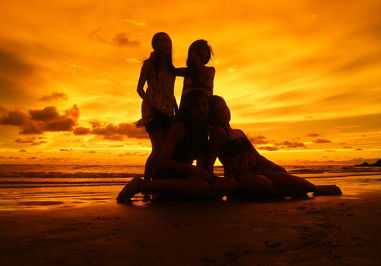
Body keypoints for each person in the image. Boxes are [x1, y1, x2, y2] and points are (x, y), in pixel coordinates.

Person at [207, 95, 342, 198]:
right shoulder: (218, 134)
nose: (224, 112)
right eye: (218, 111)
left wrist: (273, 165)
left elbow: (256, 156)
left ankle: (315, 189)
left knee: (282, 177)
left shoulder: (239, 132)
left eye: (225, 107)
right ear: (213, 116)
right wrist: (216, 184)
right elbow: (209, 161)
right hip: (239, 177)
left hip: (258, 169)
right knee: (264, 184)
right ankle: (288, 191)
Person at [117, 90, 235, 203]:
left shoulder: (205, 130)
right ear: (189, 109)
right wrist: (192, 169)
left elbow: (205, 162)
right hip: (168, 175)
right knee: (200, 185)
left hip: (186, 176)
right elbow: (162, 162)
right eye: (196, 106)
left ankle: (193, 195)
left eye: (204, 105)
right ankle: (140, 185)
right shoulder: (180, 127)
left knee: (230, 183)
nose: (201, 109)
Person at [136, 32, 179, 180]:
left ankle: (159, 180)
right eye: (162, 41)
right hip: (154, 110)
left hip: (168, 110)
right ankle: (147, 183)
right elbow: (139, 89)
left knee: (167, 150)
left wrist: (177, 110)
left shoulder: (170, 67)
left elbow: (170, 92)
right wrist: (152, 105)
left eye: (168, 41)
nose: (166, 44)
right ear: (156, 45)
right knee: (158, 148)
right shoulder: (149, 64)